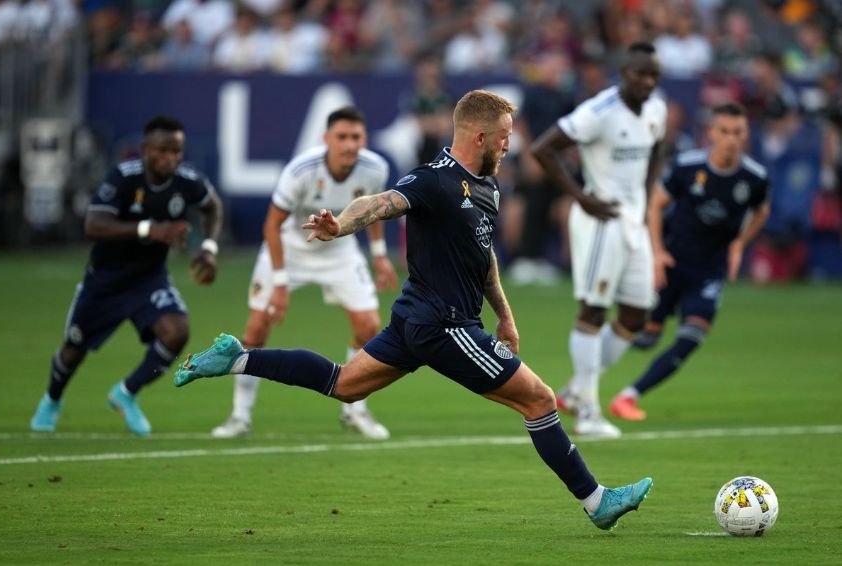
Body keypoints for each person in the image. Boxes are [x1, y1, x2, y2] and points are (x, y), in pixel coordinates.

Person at [176, 89, 652, 531]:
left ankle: (237, 358)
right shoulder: (434, 179)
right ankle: (597, 501)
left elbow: (483, 255)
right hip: (444, 325)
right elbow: (379, 203)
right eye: (505, 136)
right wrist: (340, 226)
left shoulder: (487, 187)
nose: (511, 145)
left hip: (416, 320)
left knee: (344, 384)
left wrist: (504, 315)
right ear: (479, 136)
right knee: (540, 400)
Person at [210, 106, 398, 440]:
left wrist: (380, 256)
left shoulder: (375, 168)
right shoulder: (301, 171)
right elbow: (272, 225)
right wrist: (280, 284)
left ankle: (355, 410)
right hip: (290, 248)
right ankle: (240, 416)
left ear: (364, 139)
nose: (349, 144)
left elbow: (372, 212)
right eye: (342, 137)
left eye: (355, 137)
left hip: (339, 251)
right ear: (326, 139)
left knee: (369, 326)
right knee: (256, 327)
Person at [29, 115, 223, 436]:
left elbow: (212, 206)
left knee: (177, 331)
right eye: (163, 150)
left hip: (149, 279)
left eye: (176, 151)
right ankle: (51, 399)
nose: (171, 158)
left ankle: (126, 393)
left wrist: (210, 248)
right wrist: (150, 229)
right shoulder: (123, 177)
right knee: (74, 348)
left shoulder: (187, 180)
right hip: (106, 280)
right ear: (146, 150)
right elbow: (94, 224)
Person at [531, 42, 668, 438]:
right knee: (593, 310)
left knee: (637, 313)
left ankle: (576, 390)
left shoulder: (656, 109)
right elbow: (543, 148)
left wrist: (644, 199)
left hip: (632, 221)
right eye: (640, 73)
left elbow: (656, 151)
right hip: (600, 220)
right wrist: (581, 197)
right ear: (624, 72)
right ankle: (588, 411)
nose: (647, 81)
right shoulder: (599, 111)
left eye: (653, 75)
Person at [609, 103, 771, 420]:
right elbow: (656, 205)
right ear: (712, 133)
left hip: (709, 271)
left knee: (691, 337)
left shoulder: (754, 178)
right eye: (724, 131)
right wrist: (657, 253)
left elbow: (761, 210)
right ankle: (581, 380)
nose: (731, 139)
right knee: (644, 336)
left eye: (737, 132)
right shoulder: (687, 166)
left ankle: (628, 397)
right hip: (672, 263)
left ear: (746, 135)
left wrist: (739, 244)